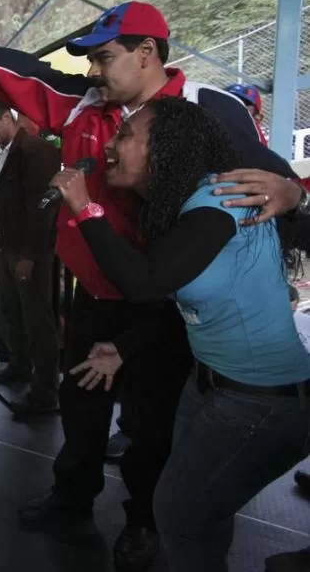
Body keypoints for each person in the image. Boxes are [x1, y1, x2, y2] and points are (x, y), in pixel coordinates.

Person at [0, 1, 301, 570]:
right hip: (97, 293)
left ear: (147, 53)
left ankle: (143, 521)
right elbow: (27, 77)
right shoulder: (86, 104)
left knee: (150, 423)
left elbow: (268, 173)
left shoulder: (202, 109)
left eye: (104, 57)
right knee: (80, 404)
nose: (93, 72)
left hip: (168, 302)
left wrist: (294, 194)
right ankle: (73, 493)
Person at [50, 97, 309, 572]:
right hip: (209, 386)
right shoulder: (184, 207)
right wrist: (124, 348)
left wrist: (85, 208)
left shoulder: (218, 198)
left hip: (259, 401)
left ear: (166, 147)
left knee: (179, 514)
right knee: (202, 515)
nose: (110, 144)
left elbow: (145, 281)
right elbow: (173, 303)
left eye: (126, 135)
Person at [0, 97, 61, 417]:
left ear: (7, 117)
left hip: (29, 253)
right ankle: (20, 367)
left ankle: (46, 390)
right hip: (5, 250)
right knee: (13, 313)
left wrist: (31, 256)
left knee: (38, 320)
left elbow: (44, 210)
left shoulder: (37, 151)